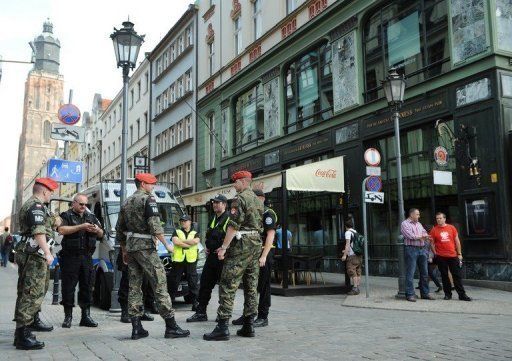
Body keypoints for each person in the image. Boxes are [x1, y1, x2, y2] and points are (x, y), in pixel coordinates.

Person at [116, 173, 189, 340]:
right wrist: (167, 245)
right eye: (151, 184)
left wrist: (124, 251)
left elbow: (120, 229)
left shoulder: (126, 201)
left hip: (132, 247)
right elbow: (155, 225)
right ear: (142, 184)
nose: (153, 187)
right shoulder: (148, 199)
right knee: (160, 283)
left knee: (134, 286)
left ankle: (136, 328)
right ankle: (171, 326)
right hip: (146, 247)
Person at [203, 170, 263, 341]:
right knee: (251, 285)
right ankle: (249, 324)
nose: (234, 186)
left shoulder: (240, 199)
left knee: (228, 282)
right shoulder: (259, 200)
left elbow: (233, 226)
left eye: (235, 183)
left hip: (241, 244)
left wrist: (223, 247)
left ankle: (222, 326)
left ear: (244, 182)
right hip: (255, 243)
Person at [13, 178, 59, 350]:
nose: (52, 195)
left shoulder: (36, 206)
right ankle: (22, 335)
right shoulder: (36, 206)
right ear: (44, 191)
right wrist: (47, 253)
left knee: (30, 291)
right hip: (34, 255)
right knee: (31, 293)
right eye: (51, 192)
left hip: (32, 254)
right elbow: (38, 231)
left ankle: (26, 327)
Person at [57, 193, 104, 328]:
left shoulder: (91, 217)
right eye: (81, 204)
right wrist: (80, 227)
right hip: (70, 257)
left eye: (86, 205)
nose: (84, 207)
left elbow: (102, 233)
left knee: (87, 286)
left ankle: (86, 316)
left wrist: (97, 229)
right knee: (68, 287)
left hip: (87, 257)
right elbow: (61, 229)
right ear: (74, 203)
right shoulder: (66, 215)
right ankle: (68, 317)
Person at [233, 188, 277, 328]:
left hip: (264, 251)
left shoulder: (267, 213)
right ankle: (248, 314)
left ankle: (263, 316)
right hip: (251, 251)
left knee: (263, 286)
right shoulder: (252, 212)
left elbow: (270, 235)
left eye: (254, 198)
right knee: (249, 284)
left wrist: (264, 256)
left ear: (261, 198)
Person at [187, 194, 230, 322]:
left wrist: (224, 247)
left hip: (223, 258)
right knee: (205, 284)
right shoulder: (213, 218)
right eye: (214, 203)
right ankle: (201, 312)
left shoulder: (228, 218)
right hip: (211, 256)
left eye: (218, 202)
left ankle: (223, 314)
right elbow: (210, 235)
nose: (215, 205)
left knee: (224, 287)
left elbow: (232, 236)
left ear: (224, 204)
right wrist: (207, 246)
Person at [429, 212, 471, 301]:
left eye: (440, 218)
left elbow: (457, 241)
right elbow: (431, 243)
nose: (439, 220)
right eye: (437, 218)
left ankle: (462, 295)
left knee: (457, 276)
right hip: (441, 256)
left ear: (444, 219)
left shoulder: (451, 228)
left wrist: (459, 254)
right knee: (444, 276)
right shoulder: (434, 230)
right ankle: (448, 294)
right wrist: (435, 252)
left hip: (453, 255)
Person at [401, 208, 434, 302]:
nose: (419, 216)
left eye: (419, 214)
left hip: (422, 249)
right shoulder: (405, 224)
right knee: (410, 272)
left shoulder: (419, 224)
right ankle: (410, 294)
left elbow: (424, 233)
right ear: (411, 214)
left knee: (424, 273)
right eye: (417, 214)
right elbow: (409, 236)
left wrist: (426, 237)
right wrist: (421, 237)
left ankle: (425, 293)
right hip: (411, 249)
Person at [169, 214, 200, 311]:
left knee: (193, 282)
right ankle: (169, 303)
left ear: (190, 222)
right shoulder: (176, 231)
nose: (183, 222)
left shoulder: (195, 232)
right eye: (182, 221)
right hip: (178, 260)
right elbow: (176, 242)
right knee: (173, 282)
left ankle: (195, 303)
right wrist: (187, 243)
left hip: (191, 260)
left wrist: (182, 241)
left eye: (185, 221)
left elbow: (196, 241)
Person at [117, 251, 156, 323]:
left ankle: (140, 311)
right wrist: (124, 251)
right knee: (127, 283)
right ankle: (125, 312)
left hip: (144, 253)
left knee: (144, 283)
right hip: (130, 250)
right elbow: (122, 240)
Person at [341, 219, 362, 295]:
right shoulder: (355, 232)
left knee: (352, 271)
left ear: (345, 226)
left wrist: (344, 255)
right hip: (359, 255)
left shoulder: (348, 232)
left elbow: (347, 244)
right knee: (358, 271)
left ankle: (355, 288)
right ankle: (357, 288)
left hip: (352, 256)